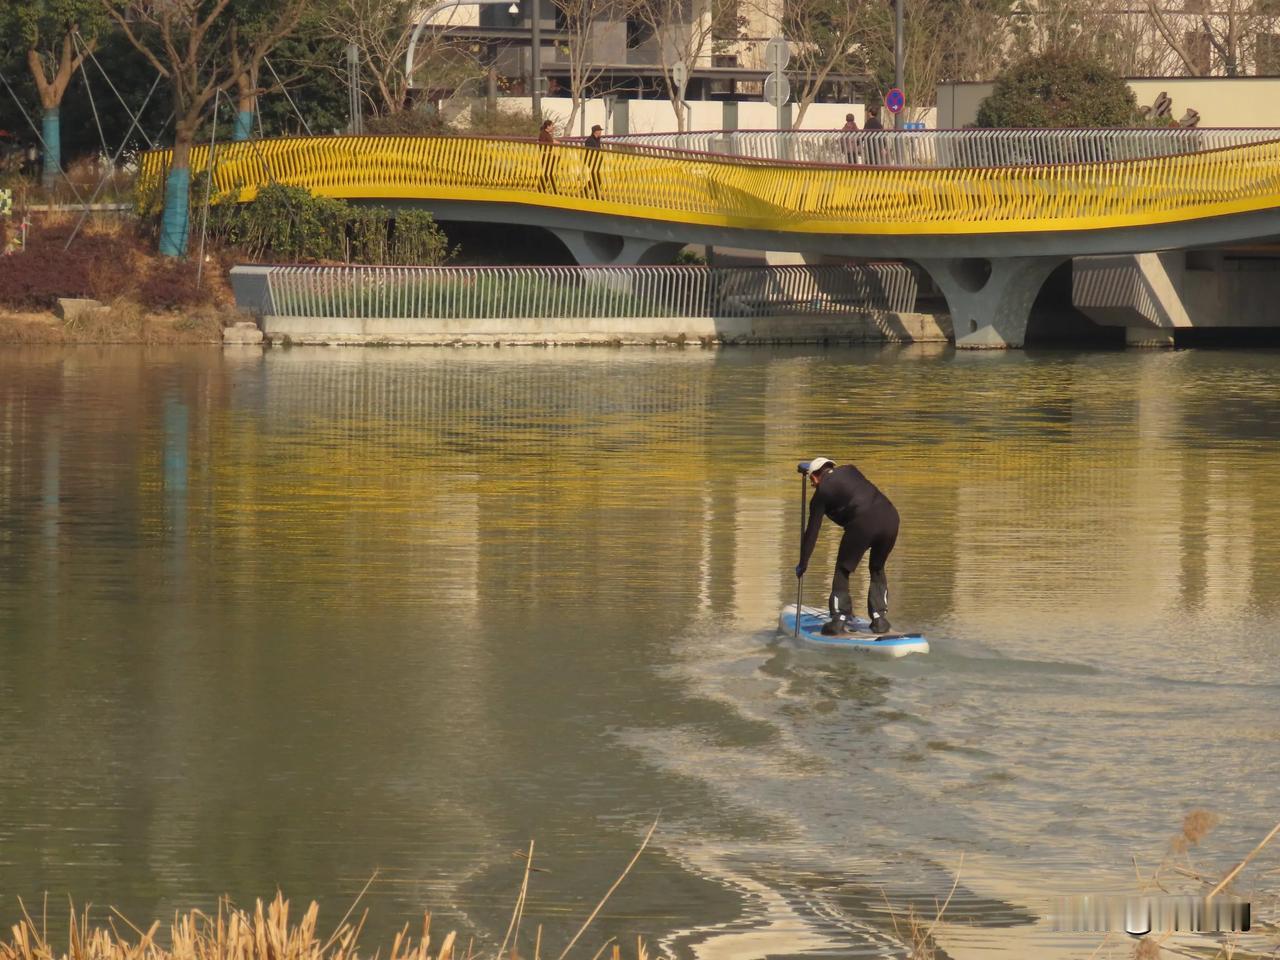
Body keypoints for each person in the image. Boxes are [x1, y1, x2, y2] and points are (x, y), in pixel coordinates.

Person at [794, 457, 899, 635]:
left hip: (863, 523)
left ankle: (839, 620)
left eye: (812, 482)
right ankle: (879, 619)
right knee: (877, 568)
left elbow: (812, 532)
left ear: (815, 478)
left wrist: (803, 562)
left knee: (843, 569)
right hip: (891, 517)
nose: (813, 486)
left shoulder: (821, 494)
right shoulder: (851, 470)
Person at [583, 123, 604, 199]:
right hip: (592, 161)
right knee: (596, 178)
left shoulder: (597, 139)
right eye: (599, 130)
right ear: (595, 131)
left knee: (596, 178)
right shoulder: (589, 140)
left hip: (597, 161)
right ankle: (595, 194)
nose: (601, 132)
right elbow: (590, 152)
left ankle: (586, 191)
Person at [537, 119, 557, 192]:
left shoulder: (547, 134)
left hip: (549, 155)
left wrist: (555, 142)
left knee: (548, 173)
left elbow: (550, 141)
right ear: (548, 126)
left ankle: (542, 188)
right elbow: (542, 144)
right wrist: (552, 143)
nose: (553, 127)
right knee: (548, 173)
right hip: (546, 156)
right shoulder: (543, 133)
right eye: (552, 125)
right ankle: (551, 189)